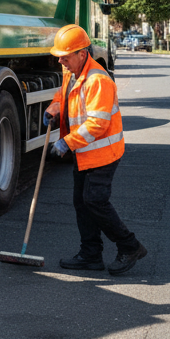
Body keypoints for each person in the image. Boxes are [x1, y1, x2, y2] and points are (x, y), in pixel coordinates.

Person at [44, 24, 146, 276]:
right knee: (82, 203)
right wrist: (54, 107)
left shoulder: (98, 80)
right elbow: (63, 95)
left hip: (103, 153)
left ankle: (130, 246)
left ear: (82, 53)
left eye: (65, 57)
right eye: (60, 57)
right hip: (84, 152)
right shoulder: (73, 71)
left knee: (94, 201)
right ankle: (90, 255)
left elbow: (97, 124)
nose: (62, 61)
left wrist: (66, 143)